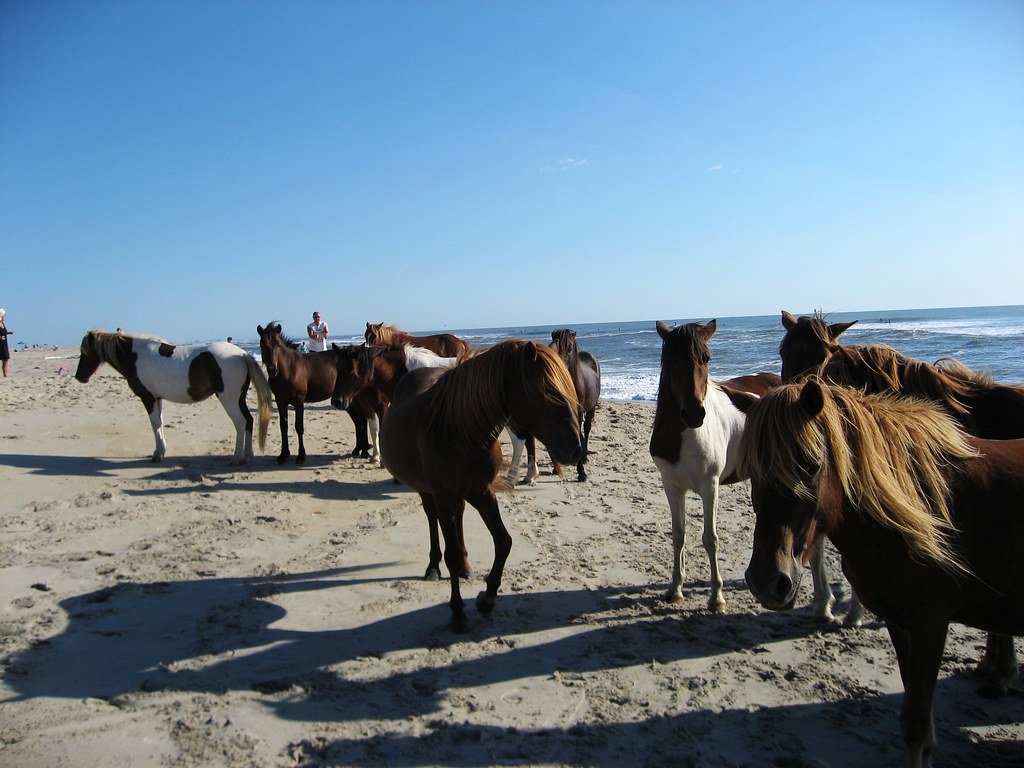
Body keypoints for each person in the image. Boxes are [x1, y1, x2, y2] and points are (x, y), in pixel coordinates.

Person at [0, 308, 12, 378]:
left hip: (4, 344)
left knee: (5, 360)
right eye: (4, 315)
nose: (5, 317)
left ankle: (5, 376)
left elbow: (3, 332)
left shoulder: (2, 323)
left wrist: (8, 333)